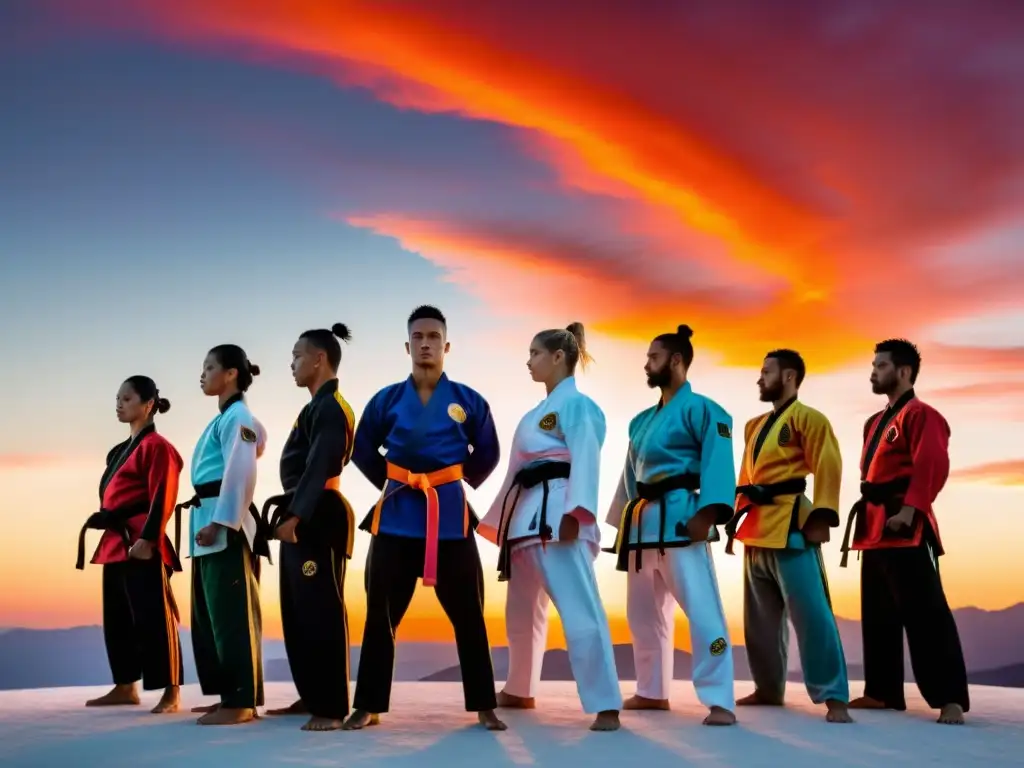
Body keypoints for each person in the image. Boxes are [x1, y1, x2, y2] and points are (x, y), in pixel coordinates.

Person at [343, 305, 505, 732]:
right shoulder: (387, 400)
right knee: (380, 615)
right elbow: (361, 449)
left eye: (434, 336)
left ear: (446, 345)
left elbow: (488, 452)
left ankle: (485, 704)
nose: (426, 343)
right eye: (418, 337)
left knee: (469, 612)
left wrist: (455, 481)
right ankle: (369, 704)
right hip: (396, 516)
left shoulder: (468, 401)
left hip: (450, 519)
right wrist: (397, 481)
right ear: (407, 345)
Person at [478, 323, 622, 731]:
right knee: (521, 614)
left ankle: (605, 702)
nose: (529, 361)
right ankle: (520, 688)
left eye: (535, 353)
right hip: (525, 520)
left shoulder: (580, 406)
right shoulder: (530, 416)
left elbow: (586, 459)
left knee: (580, 611)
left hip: (559, 516)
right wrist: (499, 524)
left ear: (559, 357)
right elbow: (514, 473)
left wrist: (577, 513)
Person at [604, 325, 737, 726]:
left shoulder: (706, 410)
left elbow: (718, 458)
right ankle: (652, 690)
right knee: (643, 614)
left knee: (703, 609)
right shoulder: (640, 421)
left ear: (676, 360)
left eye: (653, 357)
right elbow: (630, 475)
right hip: (643, 524)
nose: (647, 364)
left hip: (682, 518)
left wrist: (709, 512)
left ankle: (720, 699)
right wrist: (621, 524)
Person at [842, 339, 969, 725]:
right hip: (874, 524)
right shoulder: (875, 422)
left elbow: (931, 462)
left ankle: (950, 699)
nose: (873, 372)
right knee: (877, 611)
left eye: (881, 366)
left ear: (903, 372)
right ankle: (882, 691)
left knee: (926, 611)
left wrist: (911, 509)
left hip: (905, 523)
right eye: (874, 365)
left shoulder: (921, 414)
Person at [723, 349, 851, 723]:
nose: (760, 378)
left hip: (792, 524)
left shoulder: (810, 419)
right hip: (755, 525)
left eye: (767, 372)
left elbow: (829, 462)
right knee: (759, 620)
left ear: (790, 376)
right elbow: (746, 479)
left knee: (812, 613)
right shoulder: (754, 425)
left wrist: (823, 515)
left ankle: (834, 696)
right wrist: (733, 517)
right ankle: (768, 686)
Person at [262, 324, 358, 732]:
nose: (293, 363)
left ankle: (332, 707)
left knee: (321, 611)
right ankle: (312, 694)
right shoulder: (314, 406)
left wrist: (296, 517)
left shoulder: (333, 406)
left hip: (317, 516)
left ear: (320, 358)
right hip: (303, 515)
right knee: (299, 612)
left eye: (298, 355)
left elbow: (321, 464)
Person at [76, 376, 184, 714]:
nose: (119, 404)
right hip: (116, 540)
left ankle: (172, 692)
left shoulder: (158, 447)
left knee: (153, 615)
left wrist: (148, 538)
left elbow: (163, 496)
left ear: (148, 404)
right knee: (118, 616)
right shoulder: (120, 450)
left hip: (141, 538)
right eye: (118, 398)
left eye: (127, 398)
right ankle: (126, 685)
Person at [187, 344, 268, 726]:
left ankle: (241, 700)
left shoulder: (238, 416)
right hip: (208, 517)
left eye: (209, 367)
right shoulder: (229, 418)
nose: (202, 374)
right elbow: (257, 441)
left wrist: (221, 522)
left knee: (232, 612)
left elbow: (242, 471)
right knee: (211, 615)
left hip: (225, 524)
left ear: (231, 373)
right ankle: (226, 694)